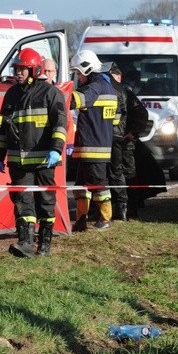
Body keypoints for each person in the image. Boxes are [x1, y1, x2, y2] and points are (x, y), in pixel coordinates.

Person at [0, 48, 66, 258]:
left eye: (23, 69)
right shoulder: (11, 94)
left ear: (34, 70)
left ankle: (44, 245)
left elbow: (60, 124)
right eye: (17, 69)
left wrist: (56, 149)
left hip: (44, 159)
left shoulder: (51, 93)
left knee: (45, 202)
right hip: (18, 160)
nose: (18, 73)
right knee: (22, 201)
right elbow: (3, 127)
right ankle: (25, 243)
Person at [70, 49, 117, 232]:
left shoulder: (95, 86)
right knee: (81, 186)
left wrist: (58, 94)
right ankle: (81, 220)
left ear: (87, 68)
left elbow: (76, 101)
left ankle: (106, 219)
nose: (78, 76)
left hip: (93, 147)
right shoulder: (107, 84)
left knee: (99, 185)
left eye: (78, 72)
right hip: (92, 145)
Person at [106, 62, 148, 221]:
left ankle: (131, 209)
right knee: (113, 174)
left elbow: (142, 114)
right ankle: (118, 208)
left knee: (128, 174)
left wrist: (133, 133)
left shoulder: (125, 93)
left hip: (125, 142)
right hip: (114, 141)